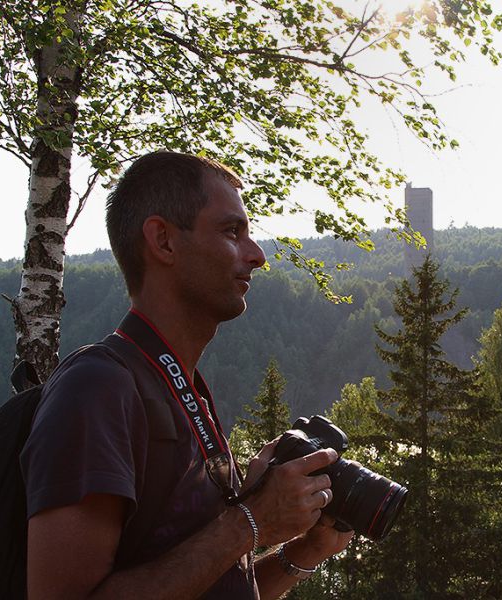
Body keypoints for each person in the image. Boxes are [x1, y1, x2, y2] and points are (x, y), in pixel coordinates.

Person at [20, 151, 353, 599]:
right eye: (232, 231)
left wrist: (305, 550)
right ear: (164, 241)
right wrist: (251, 520)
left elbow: (210, 582)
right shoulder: (98, 388)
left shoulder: (182, 390)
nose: (257, 255)